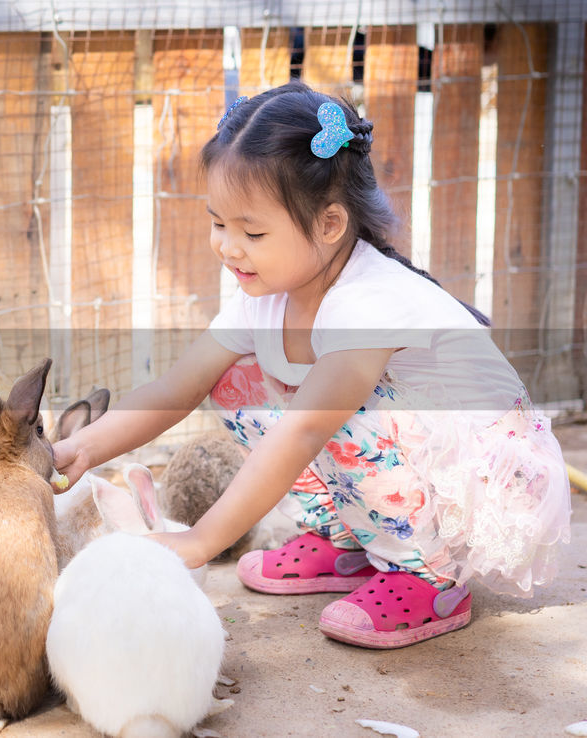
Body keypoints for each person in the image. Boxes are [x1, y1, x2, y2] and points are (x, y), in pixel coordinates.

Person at [52, 80, 571, 649]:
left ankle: (431, 576)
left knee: (330, 417)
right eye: (219, 223)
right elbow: (178, 385)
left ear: (329, 224)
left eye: (252, 231)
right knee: (235, 377)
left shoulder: (366, 303)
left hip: (483, 486)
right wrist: (82, 447)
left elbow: (303, 431)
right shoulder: (269, 291)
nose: (228, 246)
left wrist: (201, 541)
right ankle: (346, 541)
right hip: (405, 469)